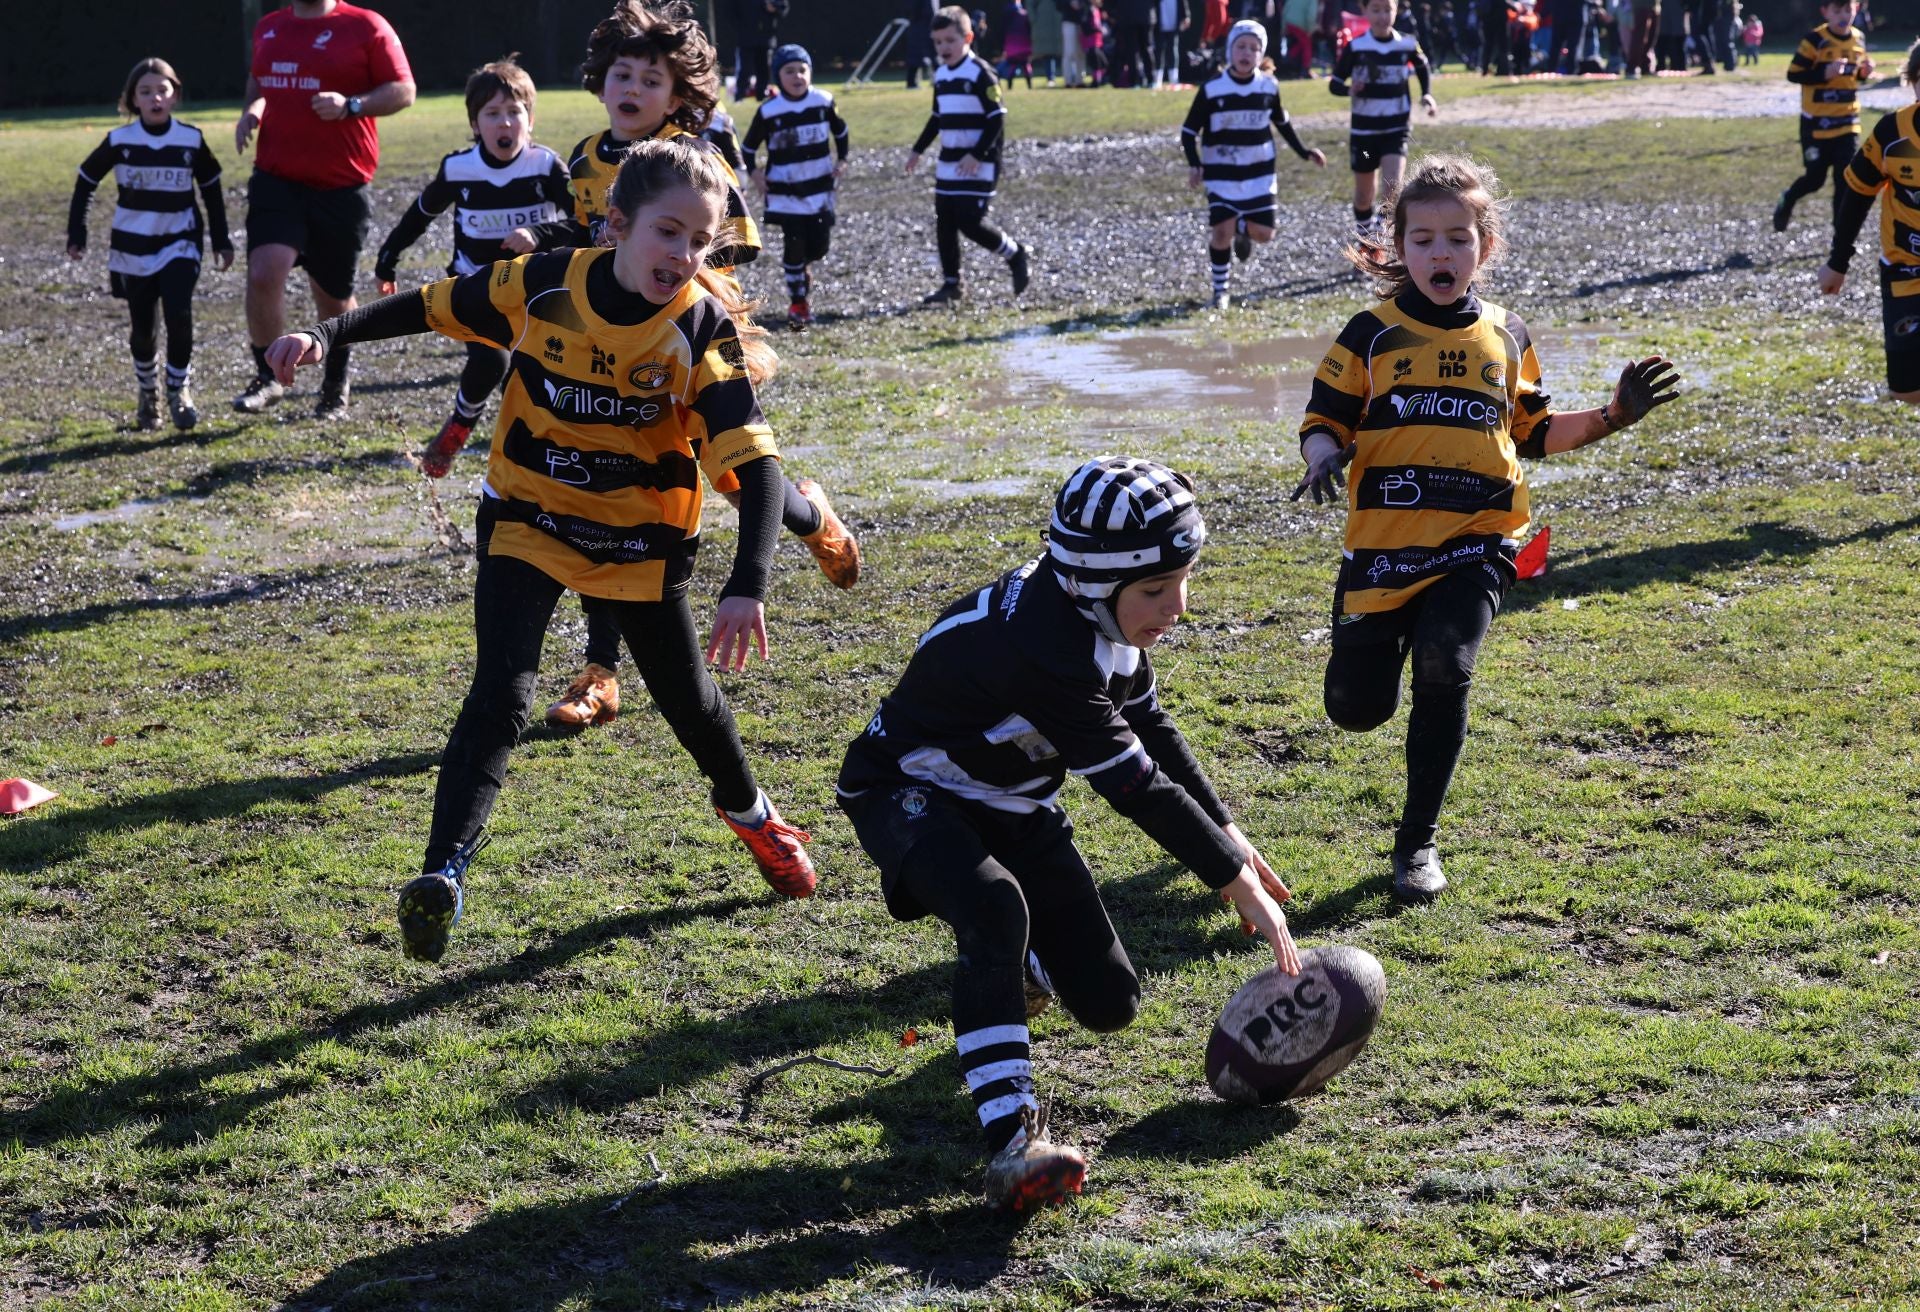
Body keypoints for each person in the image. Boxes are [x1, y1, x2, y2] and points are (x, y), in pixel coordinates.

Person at [266, 139, 821, 964]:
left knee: (691, 708)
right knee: (501, 691)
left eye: (700, 243)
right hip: (528, 518)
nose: (684, 256)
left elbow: (760, 470)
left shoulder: (700, 330)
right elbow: (428, 304)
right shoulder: (543, 282)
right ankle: (442, 877)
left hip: (640, 541)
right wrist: (325, 333)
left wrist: (748, 585)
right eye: (669, 233)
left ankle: (752, 815)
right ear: (616, 224)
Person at [837, 455, 1302, 1211]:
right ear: (1093, 581)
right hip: (906, 788)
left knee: (1110, 1001)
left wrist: (1227, 828)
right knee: (994, 909)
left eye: (1184, 580)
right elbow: (1133, 785)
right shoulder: (1042, 646)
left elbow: (1150, 723)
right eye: (1156, 589)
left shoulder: (1095, 611)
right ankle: (1012, 1142)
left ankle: (1008, 984)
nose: (1176, 606)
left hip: (1014, 802)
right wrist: (1233, 877)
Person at [1292, 154, 1680, 900]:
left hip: (1482, 537)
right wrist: (1321, 457)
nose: (1442, 254)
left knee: (1445, 663)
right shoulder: (1371, 332)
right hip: (1381, 549)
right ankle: (1376, 661)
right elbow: (1323, 418)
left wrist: (1614, 415)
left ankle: (1416, 846)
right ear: (1401, 247)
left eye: (1458, 239)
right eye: (1426, 239)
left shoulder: (1507, 334)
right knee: (1355, 707)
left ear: (1485, 247)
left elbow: (1534, 432)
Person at [543, 0, 861, 733]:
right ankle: (600, 674)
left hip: (694, 349)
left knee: (736, 479)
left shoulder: (695, 155)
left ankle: (812, 517)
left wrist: (678, 249)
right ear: (601, 82)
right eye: (622, 73)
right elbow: (583, 238)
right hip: (613, 357)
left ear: (678, 93)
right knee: (607, 496)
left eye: (650, 79)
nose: (633, 88)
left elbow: (739, 241)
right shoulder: (587, 159)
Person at [372, 57, 572, 467]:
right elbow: (419, 216)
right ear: (475, 123)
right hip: (474, 285)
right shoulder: (460, 168)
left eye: (514, 112)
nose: (505, 123)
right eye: (492, 114)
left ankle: (535, 451)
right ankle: (458, 428)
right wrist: (387, 260)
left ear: (530, 120)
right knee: (490, 356)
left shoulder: (547, 166)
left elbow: (584, 223)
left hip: (537, 289)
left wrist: (539, 235)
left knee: (528, 376)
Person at [231, 0, 414, 419]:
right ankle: (267, 377)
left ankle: (335, 386)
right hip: (277, 180)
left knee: (332, 297)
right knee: (264, 272)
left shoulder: (365, 26)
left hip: (340, 186)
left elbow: (404, 90)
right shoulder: (269, 27)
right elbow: (259, 81)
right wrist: (252, 110)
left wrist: (352, 105)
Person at [67, 57, 232, 434]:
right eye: (146, 92)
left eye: (163, 90)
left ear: (175, 96)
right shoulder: (120, 141)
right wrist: (77, 234)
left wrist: (221, 240)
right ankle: (148, 394)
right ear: (132, 100)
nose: (155, 97)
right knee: (143, 330)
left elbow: (212, 189)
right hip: (132, 247)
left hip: (180, 241)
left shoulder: (190, 139)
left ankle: (179, 390)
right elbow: (84, 181)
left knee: (178, 311)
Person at [1182, 20, 1326, 310]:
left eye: (1254, 48)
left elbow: (1281, 123)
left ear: (1261, 56)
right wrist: (1195, 164)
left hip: (1259, 173)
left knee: (1265, 234)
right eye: (1241, 46)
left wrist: (1304, 151)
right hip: (1221, 173)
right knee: (1220, 232)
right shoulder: (1212, 89)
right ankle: (1220, 292)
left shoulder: (1268, 87)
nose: (1246, 53)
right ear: (1230, 50)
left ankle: (1241, 229)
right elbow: (1188, 132)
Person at [907, 7, 1035, 304]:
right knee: (945, 223)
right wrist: (917, 150)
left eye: (950, 40)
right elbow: (937, 117)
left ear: (968, 38)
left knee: (970, 222)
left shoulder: (981, 73)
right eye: (938, 42)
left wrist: (977, 155)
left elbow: (996, 119)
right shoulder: (940, 75)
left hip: (980, 163)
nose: (943, 48)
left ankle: (1015, 253)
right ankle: (952, 284)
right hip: (949, 162)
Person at [1818, 37, 1920, 405]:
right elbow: (1858, 193)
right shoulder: (1893, 133)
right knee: (1905, 390)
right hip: (1905, 271)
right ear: (1912, 81)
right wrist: (1837, 262)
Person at [741, 45, 850, 327]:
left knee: (820, 247)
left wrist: (843, 159)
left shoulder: (824, 102)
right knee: (794, 245)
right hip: (785, 193)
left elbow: (841, 131)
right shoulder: (769, 111)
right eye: (789, 71)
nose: (797, 76)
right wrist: (754, 173)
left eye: (802, 69)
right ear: (778, 76)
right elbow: (748, 147)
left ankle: (802, 267)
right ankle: (798, 303)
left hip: (819, 189)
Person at [1331, 0, 1436, 236]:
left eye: (1387, 9)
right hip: (1365, 137)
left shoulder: (1407, 44)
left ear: (1396, 10)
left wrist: (1427, 94)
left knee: (1393, 189)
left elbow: (1422, 66)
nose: (1382, 16)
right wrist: (1350, 89)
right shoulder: (1356, 47)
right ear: (1365, 11)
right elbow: (1334, 84)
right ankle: (1365, 237)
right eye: (1376, 10)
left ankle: (1376, 239)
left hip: (1395, 131)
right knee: (1364, 195)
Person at [1773, 0, 1873, 232]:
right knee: (1814, 180)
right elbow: (1794, 74)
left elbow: (1855, 75)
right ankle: (1787, 199)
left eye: (1848, 9)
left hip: (1848, 122)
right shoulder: (1814, 40)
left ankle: (1840, 234)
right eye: (1837, 10)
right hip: (1816, 125)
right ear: (1825, 12)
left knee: (1844, 179)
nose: (1843, 15)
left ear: (1856, 9)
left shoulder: (1858, 38)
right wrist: (1823, 73)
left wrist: (1864, 72)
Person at [732, 0, 790, 100]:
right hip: (746, 38)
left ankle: (761, 93)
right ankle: (740, 93)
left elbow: (783, 8)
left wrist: (774, 8)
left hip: (766, 38)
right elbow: (732, 11)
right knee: (745, 68)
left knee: (764, 68)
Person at [1154, 0, 1193, 85]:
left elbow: (1184, 6)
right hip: (1159, 27)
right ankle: (1157, 80)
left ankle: (1174, 79)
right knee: (1159, 51)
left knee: (1173, 50)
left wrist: (1187, 17)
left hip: (1174, 26)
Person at [1000, 0, 1037, 85]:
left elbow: (1003, 30)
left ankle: (1010, 86)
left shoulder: (1006, 13)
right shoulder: (1024, 14)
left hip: (1011, 44)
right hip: (1023, 43)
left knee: (1013, 65)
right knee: (1026, 64)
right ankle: (1030, 85)